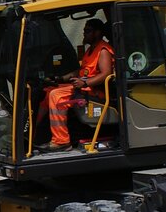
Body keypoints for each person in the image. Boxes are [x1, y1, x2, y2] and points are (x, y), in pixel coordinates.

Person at [40, 18, 114, 151]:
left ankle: (62, 141)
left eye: (87, 31)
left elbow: (106, 74)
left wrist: (84, 82)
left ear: (97, 33)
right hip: (83, 88)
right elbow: (80, 71)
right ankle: (36, 133)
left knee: (56, 96)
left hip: (94, 92)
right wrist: (60, 78)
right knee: (48, 90)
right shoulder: (90, 50)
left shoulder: (103, 51)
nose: (84, 33)